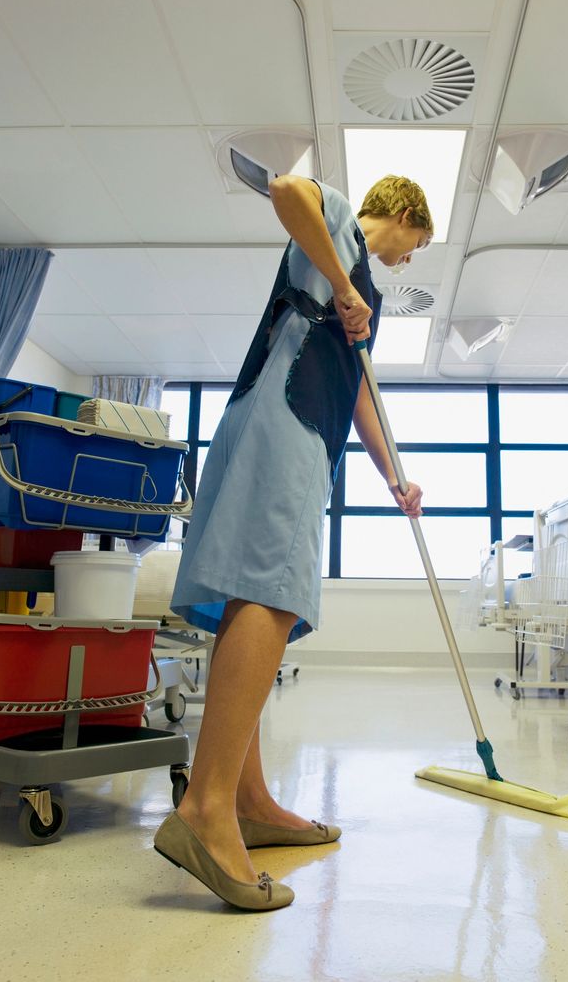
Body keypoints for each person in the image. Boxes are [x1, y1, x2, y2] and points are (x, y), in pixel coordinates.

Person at [154, 174, 434, 911]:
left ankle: (249, 801)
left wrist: (394, 476)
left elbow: (359, 390)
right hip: (287, 420)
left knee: (253, 591)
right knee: (271, 592)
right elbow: (285, 190)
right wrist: (343, 285)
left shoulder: (362, 290)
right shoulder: (339, 223)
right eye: (417, 243)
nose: (410, 259)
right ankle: (207, 809)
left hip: (288, 423)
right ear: (405, 214)